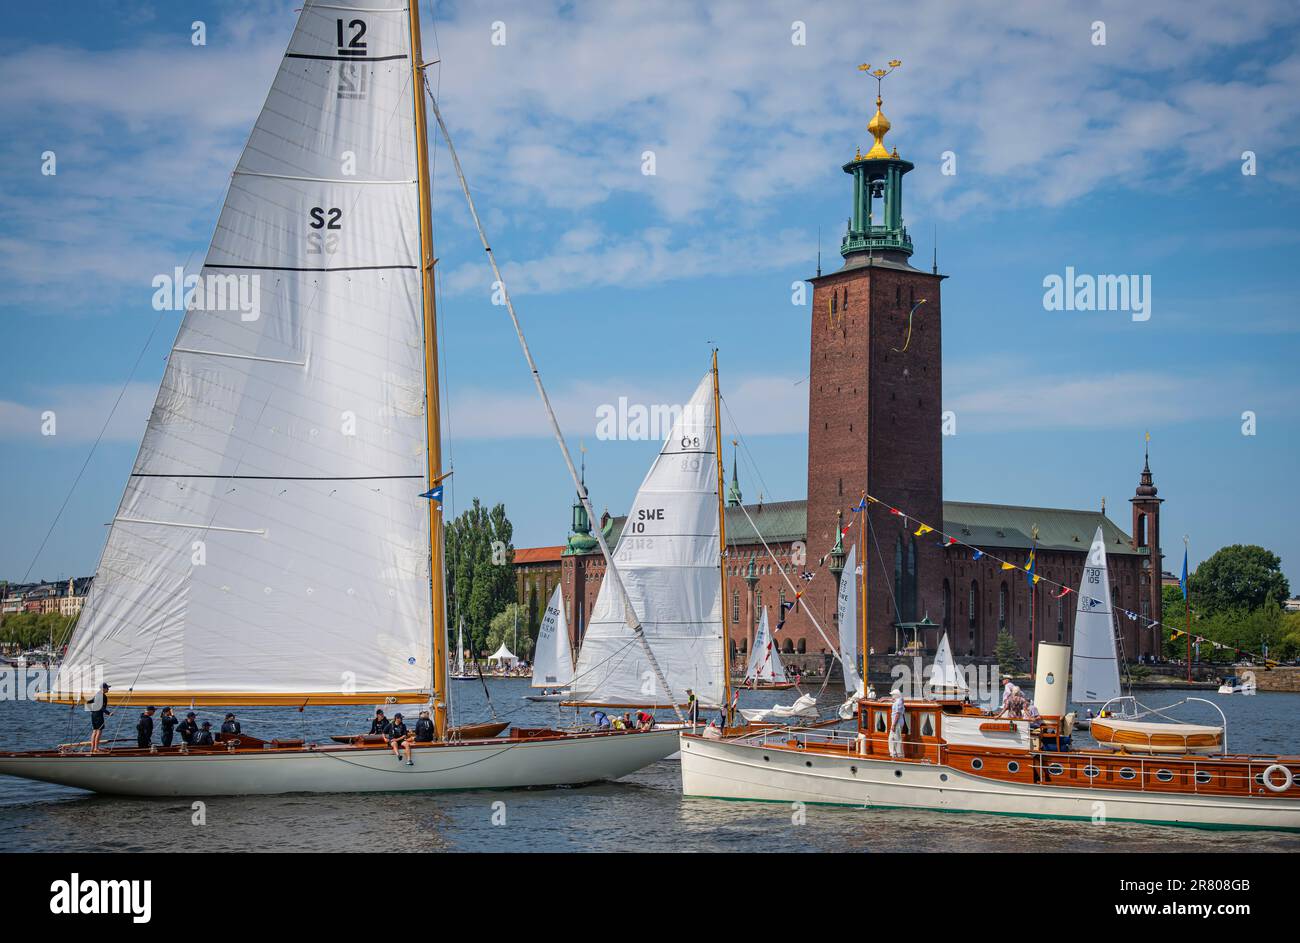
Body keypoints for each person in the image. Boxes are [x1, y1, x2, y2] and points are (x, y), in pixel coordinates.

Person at [87, 682, 111, 753]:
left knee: (94, 731)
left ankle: (92, 748)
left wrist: (91, 710)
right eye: (107, 688)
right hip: (98, 716)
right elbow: (101, 707)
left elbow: (89, 702)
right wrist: (108, 713)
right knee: (99, 731)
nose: (108, 689)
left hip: (94, 715)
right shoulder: (103, 696)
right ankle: (96, 748)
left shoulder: (97, 694)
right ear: (103, 689)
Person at [888, 687, 906, 759]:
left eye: (892, 695)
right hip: (898, 721)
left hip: (897, 722)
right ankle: (895, 753)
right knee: (893, 737)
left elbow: (897, 714)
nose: (892, 696)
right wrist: (885, 699)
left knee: (896, 738)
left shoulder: (898, 702)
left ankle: (897, 754)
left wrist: (894, 725)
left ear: (896, 695)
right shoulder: (899, 701)